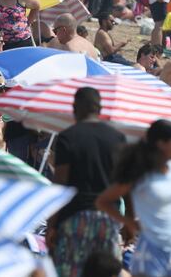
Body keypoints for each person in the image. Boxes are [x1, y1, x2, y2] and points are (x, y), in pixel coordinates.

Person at [48, 87, 126, 277]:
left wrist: (51, 225)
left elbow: (60, 184)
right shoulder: (118, 138)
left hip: (74, 218)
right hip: (108, 220)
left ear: (76, 108)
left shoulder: (68, 136)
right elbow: (125, 182)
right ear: (99, 109)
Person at [96, 120, 171, 277]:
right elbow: (102, 202)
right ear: (162, 144)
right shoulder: (141, 174)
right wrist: (129, 222)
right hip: (152, 250)